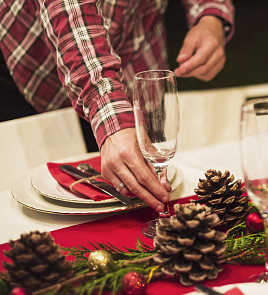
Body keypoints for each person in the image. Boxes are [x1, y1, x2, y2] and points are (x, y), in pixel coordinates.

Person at [0, 0, 234, 212]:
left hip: (137, 52)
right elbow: (70, 10)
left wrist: (210, 14)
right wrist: (108, 113)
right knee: (33, 198)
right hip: (35, 64)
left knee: (134, 189)